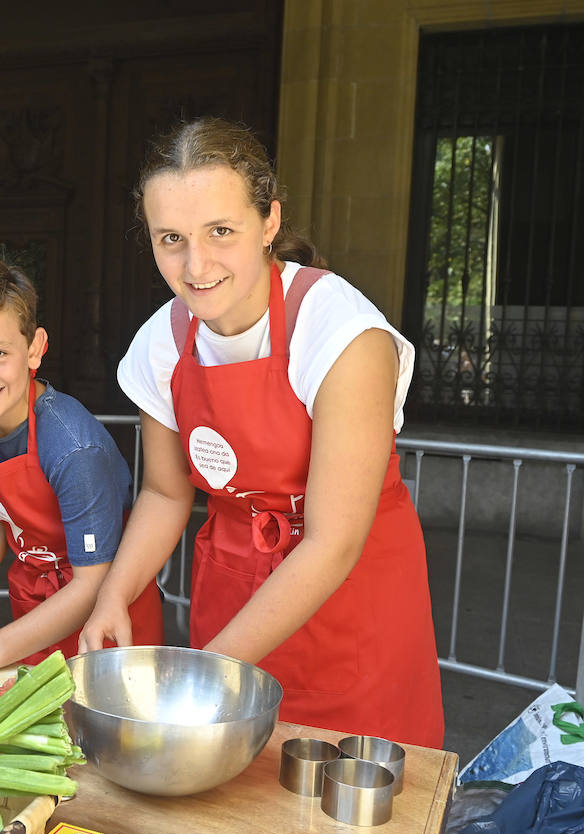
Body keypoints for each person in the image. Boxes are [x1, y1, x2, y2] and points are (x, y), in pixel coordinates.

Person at [80, 118, 444, 748]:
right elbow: (167, 495)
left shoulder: (341, 333)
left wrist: (204, 674)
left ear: (270, 222)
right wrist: (115, 593)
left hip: (352, 608)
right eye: (171, 239)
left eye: (221, 231)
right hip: (233, 594)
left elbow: (333, 541)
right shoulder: (162, 343)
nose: (196, 265)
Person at [0, 254, 163, 682]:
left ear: (35, 348)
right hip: (33, 601)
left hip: (104, 618)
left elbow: (93, 582)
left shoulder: (73, 448)